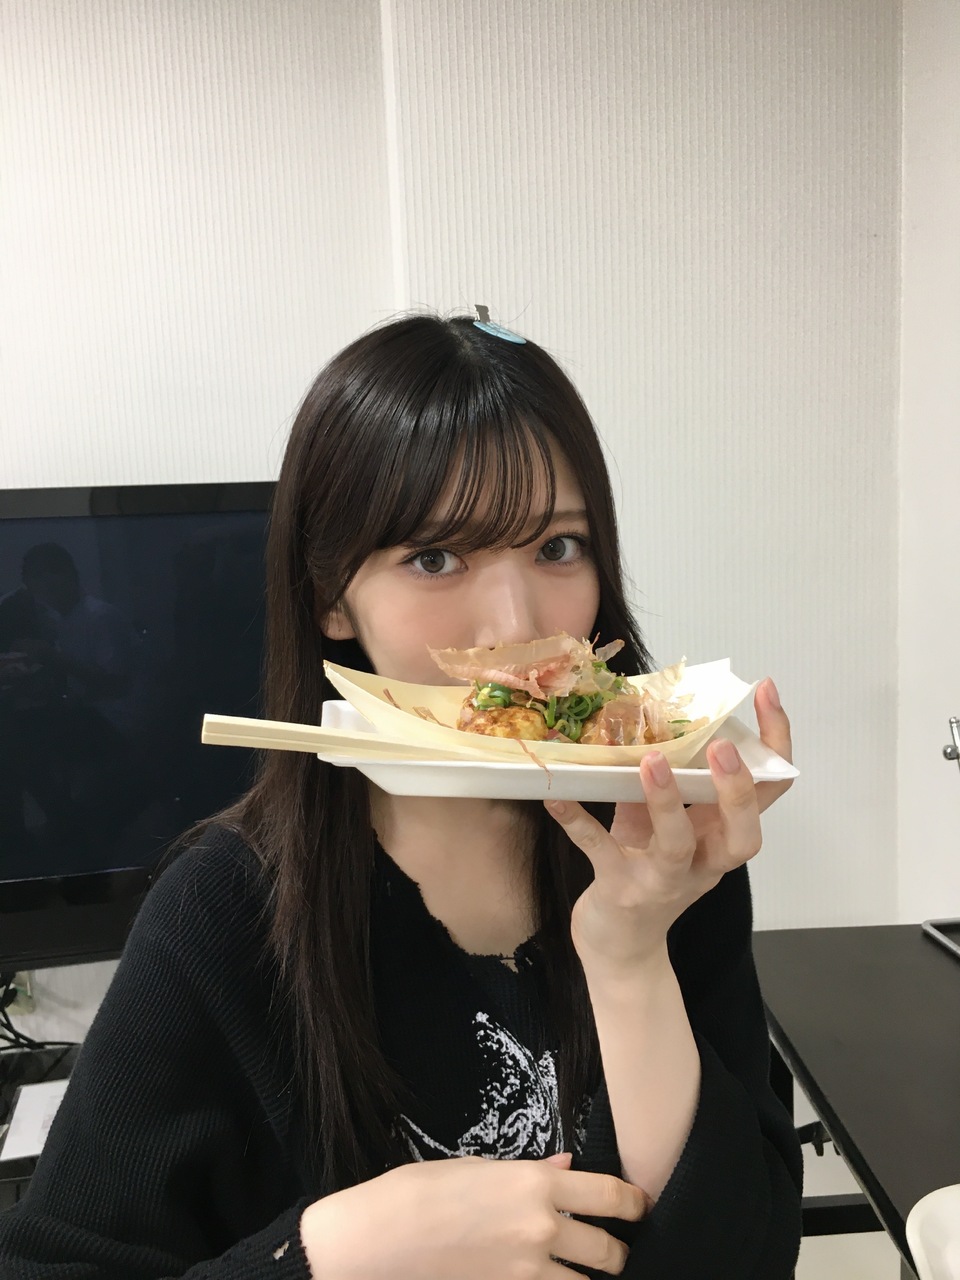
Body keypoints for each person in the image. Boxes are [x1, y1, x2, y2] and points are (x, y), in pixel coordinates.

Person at [0, 313, 803, 1279]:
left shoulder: (659, 845)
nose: (517, 629)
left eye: (558, 547)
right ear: (331, 598)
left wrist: (631, 957)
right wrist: (330, 1252)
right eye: (435, 558)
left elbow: (747, 1262)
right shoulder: (228, 909)